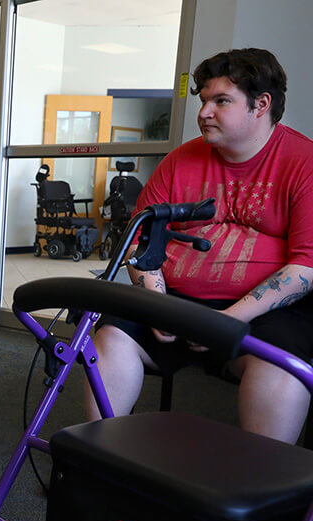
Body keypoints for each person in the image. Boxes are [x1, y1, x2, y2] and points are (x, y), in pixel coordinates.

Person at [88, 48, 313, 444]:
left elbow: (306, 267)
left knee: (282, 365)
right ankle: (96, 457)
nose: (204, 112)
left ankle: (266, 478)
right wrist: (157, 306)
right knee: (110, 337)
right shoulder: (179, 161)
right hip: (174, 302)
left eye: (221, 101)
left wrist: (226, 320)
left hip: (265, 312)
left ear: (261, 105)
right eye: (204, 100)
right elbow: (141, 242)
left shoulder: (303, 162)